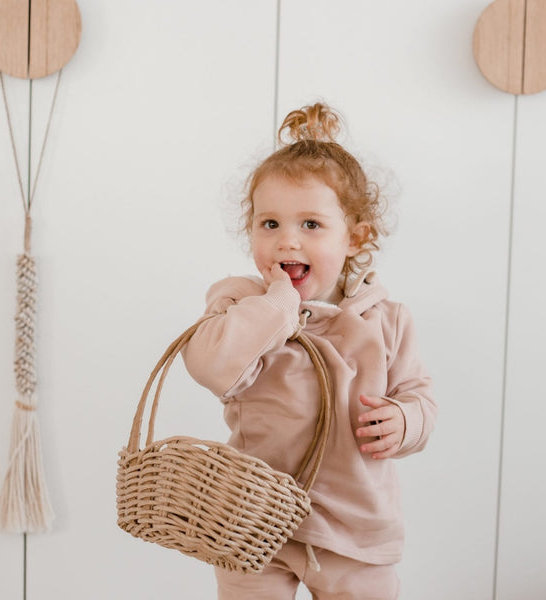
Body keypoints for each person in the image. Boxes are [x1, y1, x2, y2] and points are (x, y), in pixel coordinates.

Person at [181, 102, 436, 600]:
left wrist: (406, 422)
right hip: (253, 521)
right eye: (269, 224)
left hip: (354, 527)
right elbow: (211, 366)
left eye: (311, 225)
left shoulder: (386, 319)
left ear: (354, 237)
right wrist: (276, 304)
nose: (286, 241)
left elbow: (420, 397)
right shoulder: (241, 302)